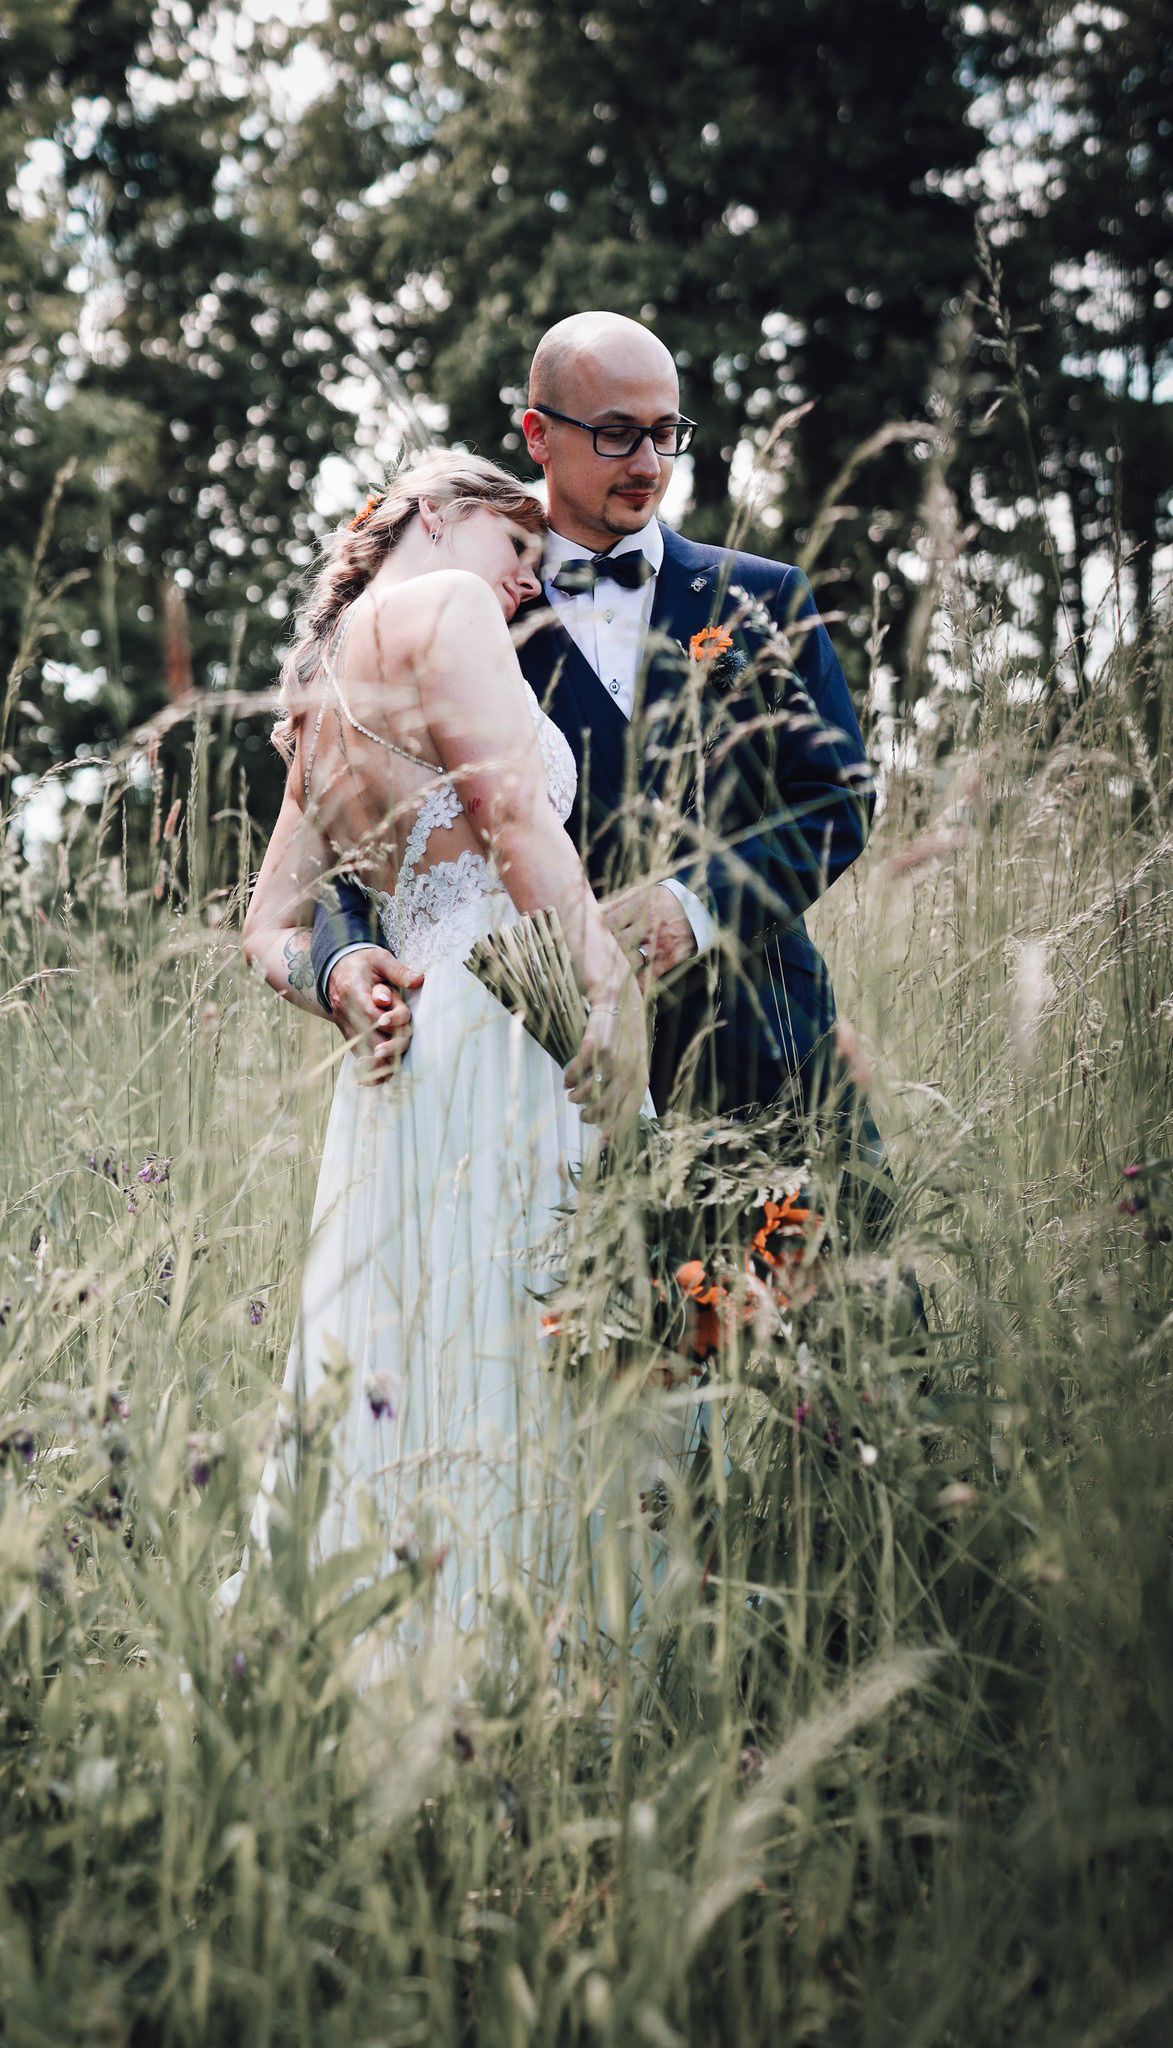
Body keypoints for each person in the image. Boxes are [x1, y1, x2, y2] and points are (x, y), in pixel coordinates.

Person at [312, 311, 893, 1236]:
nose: (649, 464)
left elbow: (837, 799)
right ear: (537, 434)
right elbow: (356, 826)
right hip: (546, 1075)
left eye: (666, 433)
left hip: (763, 1041)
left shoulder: (761, 594)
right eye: (617, 433)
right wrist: (340, 960)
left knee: (836, 1312)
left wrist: (690, 906)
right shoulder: (464, 610)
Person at [220, 451, 660, 1627]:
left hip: (404, 1065)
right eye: (519, 546)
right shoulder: (449, 603)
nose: (528, 582)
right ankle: (546, 1639)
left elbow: (266, 927)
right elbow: (511, 812)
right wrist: (607, 988)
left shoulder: (320, 695)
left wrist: (338, 975)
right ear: (441, 511)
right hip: (515, 1026)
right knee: (541, 1334)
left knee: (424, 1357)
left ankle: (410, 1638)